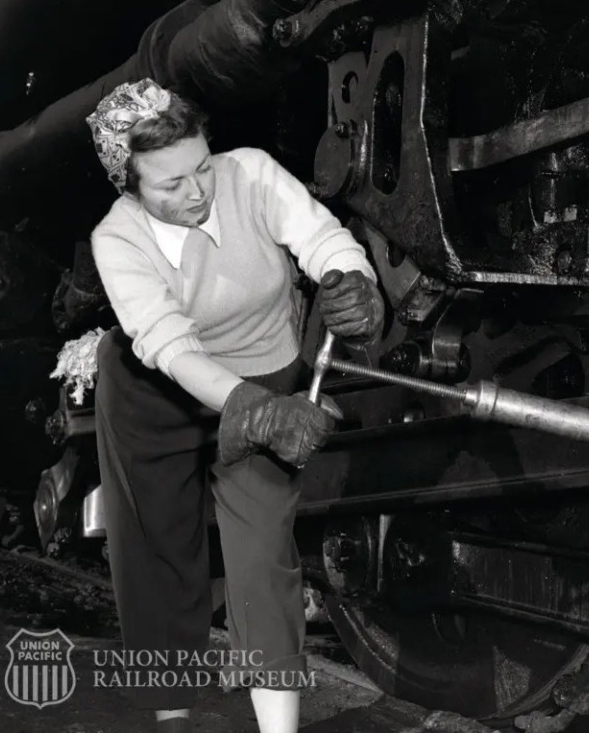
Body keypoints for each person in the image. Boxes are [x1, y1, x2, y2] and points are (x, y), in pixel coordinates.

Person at [86, 79, 383, 733]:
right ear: (129, 184)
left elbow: (322, 237)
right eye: (170, 184)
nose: (195, 192)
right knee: (159, 549)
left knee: (263, 551)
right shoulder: (116, 240)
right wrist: (258, 411)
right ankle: (173, 714)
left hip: (265, 368)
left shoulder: (247, 173)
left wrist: (351, 281)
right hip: (155, 392)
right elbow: (172, 346)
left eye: (200, 169)